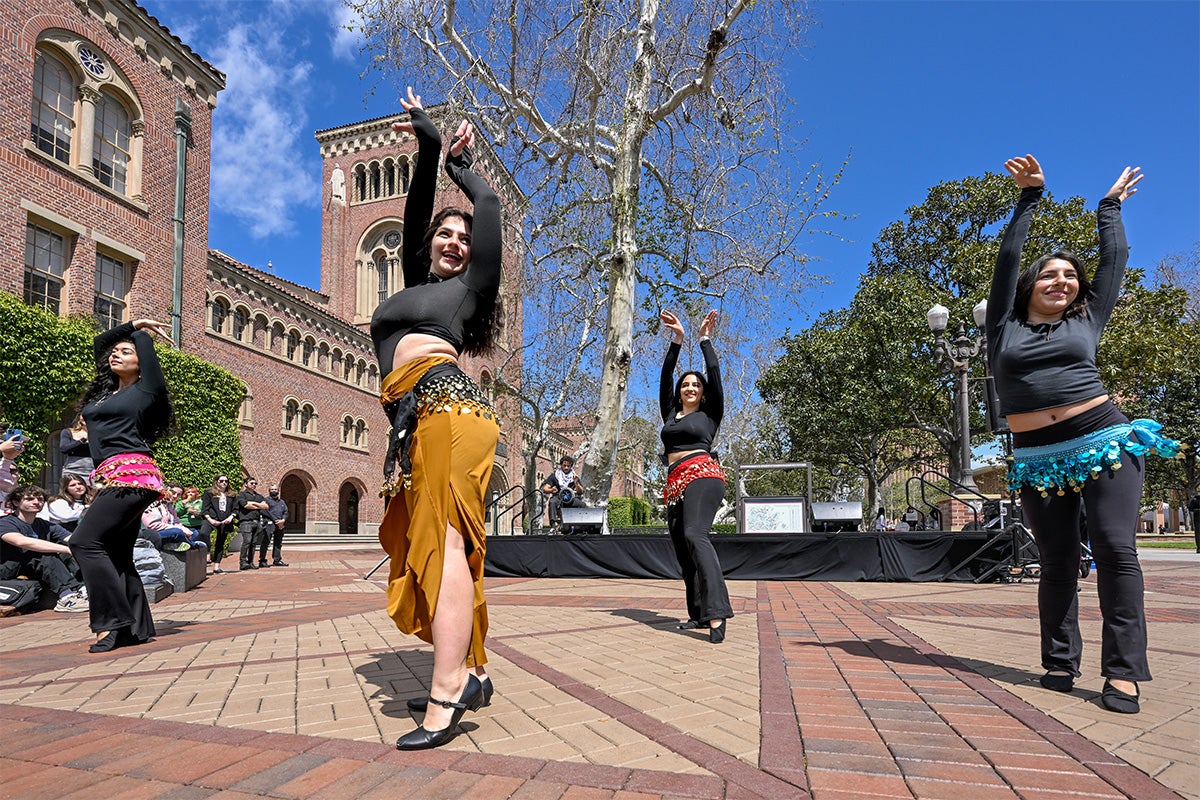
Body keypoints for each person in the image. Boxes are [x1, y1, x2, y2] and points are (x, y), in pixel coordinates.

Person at [989, 155, 1182, 714]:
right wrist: (1028, 200)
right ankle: (1058, 659)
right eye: (1050, 274)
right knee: (1055, 561)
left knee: (1117, 550)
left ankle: (1122, 672)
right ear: (1030, 286)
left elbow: (1114, 261)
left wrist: (1110, 210)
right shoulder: (1004, 325)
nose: (1063, 280)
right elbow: (1006, 261)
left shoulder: (1087, 318)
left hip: (1102, 441)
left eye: (1070, 276)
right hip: (1036, 456)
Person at [370, 87, 504, 750]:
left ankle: (446, 692)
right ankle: (472, 668)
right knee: (450, 551)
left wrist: (462, 171)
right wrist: (427, 140)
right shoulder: (411, 281)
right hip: (423, 418)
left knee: (445, 547)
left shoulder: (465, 292)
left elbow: (490, 207)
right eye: (445, 235)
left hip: (449, 408)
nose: (454, 242)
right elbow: (415, 208)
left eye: (463, 239)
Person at [68, 317, 175, 653]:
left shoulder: (147, 390)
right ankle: (135, 628)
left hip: (133, 476)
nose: (116, 354)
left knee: (84, 542)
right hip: (113, 477)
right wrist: (130, 323)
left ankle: (112, 622)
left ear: (141, 362)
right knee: (115, 553)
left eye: (126, 352)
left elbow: (144, 352)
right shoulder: (105, 393)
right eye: (116, 352)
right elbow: (101, 343)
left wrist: (141, 334)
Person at [659, 309, 732, 644]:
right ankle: (698, 612)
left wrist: (704, 340)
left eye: (696, 385)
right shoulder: (671, 414)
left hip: (703, 474)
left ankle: (718, 610)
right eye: (686, 384)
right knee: (682, 550)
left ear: (703, 393)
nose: (690, 387)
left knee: (695, 536)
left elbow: (715, 375)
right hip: (674, 482)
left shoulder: (709, 414)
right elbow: (665, 377)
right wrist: (677, 340)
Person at [0, 484, 89, 612]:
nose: (36, 502)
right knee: (42, 554)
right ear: (16, 502)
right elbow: (21, 542)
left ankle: (83, 590)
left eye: (40, 499)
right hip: (7, 568)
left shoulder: (45, 525)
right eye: (29, 499)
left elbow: (73, 541)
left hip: (29, 566)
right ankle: (67, 598)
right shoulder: (5, 522)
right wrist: (65, 549)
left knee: (69, 550)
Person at [201, 476, 236, 572]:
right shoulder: (209, 493)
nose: (224, 483)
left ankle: (217, 566)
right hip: (211, 519)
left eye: (226, 481)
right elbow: (204, 509)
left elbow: (235, 509)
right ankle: (207, 552)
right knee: (203, 533)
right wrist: (210, 520)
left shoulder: (231, 495)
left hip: (225, 520)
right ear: (217, 482)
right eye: (221, 481)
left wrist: (231, 517)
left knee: (220, 543)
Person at [541, 456, 585, 530]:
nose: (566, 468)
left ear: (571, 466)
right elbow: (545, 489)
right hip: (559, 497)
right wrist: (551, 490)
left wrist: (576, 483)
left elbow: (581, 492)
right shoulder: (555, 476)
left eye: (568, 466)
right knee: (552, 502)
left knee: (582, 505)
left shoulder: (574, 477)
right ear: (561, 465)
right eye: (564, 465)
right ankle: (553, 526)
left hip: (571, 498)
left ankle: (580, 526)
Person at [235, 477, 270, 570]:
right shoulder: (241, 495)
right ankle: (243, 562)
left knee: (253, 543)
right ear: (246, 484)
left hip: (257, 522)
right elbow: (245, 505)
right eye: (251, 483)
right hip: (246, 521)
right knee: (247, 541)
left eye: (255, 483)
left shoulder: (259, 496)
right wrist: (259, 505)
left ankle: (250, 562)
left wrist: (254, 504)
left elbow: (266, 506)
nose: (254, 485)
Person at [261, 483, 289, 567]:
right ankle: (262, 560)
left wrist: (283, 520)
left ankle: (277, 560)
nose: (274, 491)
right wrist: (276, 521)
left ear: (278, 491)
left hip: (280, 525)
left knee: (278, 543)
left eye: (275, 489)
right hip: (269, 524)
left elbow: (286, 512)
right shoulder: (265, 500)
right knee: (266, 542)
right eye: (272, 489)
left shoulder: (282, 502)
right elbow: (265, 511)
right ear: (269, 491)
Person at [59, 417, 93, 481]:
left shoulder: (99, 434)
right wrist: (82, 441)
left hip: (92, 470)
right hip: (72, 469)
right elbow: (64, 449)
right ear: (79, 417)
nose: (86, 417)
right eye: (83, 415)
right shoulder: (68, 432)